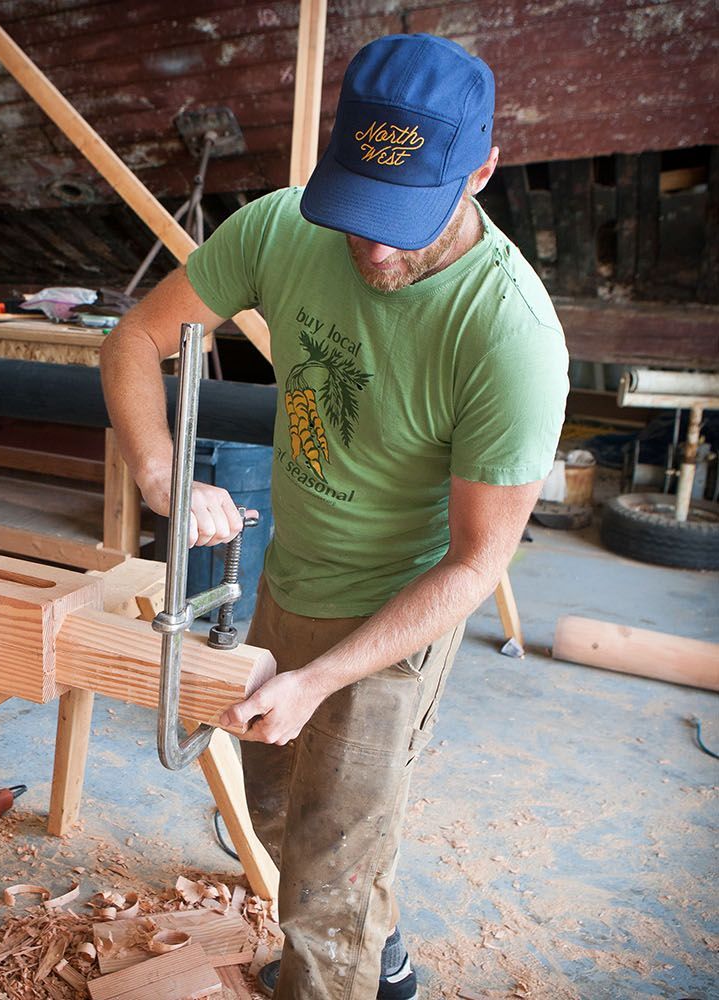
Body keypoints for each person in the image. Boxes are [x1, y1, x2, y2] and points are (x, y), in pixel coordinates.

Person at [100, 33, 569, 1000]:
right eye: (357, 213)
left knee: (326, 880)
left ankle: (350, 969)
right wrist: (159, 470)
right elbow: (137, 337)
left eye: (402, 220)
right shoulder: (283, 228)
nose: (375, 247)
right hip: (291, 570)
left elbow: (476, 567)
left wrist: (322, 680)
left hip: (401, 608)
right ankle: (380, 954)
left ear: (482, 168)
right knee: (271, 813)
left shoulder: (509, 338)